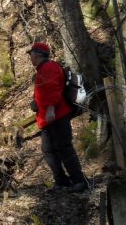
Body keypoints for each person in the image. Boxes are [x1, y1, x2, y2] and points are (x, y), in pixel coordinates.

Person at [27, 42, 88, 193]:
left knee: (64, 148)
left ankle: (79, 181)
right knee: (48, 150)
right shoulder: (42, 70)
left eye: (31, 54)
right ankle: (61, 181)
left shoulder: (50, 67)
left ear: (38, 54)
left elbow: (54, 89)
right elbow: (44, 92)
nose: (30, 57)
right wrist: (36, 103)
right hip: (46, 118)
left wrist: (50, 109)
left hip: (57, 115)